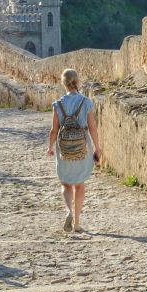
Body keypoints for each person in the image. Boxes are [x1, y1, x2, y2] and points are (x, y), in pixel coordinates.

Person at [46, 68, 101, 233]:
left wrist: (50, 147)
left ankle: (68, 211)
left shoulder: (58, 104)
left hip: (64, 149)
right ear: (77, 82)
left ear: (63, 84)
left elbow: (54, 130)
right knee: (79, 184)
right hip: (82, 148)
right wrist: (98, 148)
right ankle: (77, 223)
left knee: (66, 183)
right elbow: (92, 128)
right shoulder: (86, 102)